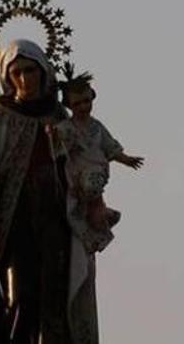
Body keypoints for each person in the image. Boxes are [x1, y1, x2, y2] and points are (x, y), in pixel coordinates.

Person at [0, 39, 99, 344]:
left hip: (56, 221)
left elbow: (84, 164)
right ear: (8, 77)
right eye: (18, 73)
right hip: (15, 223)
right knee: (21, 297)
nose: (25, 79)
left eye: (31, 71)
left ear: (43, 73)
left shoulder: (60, 119)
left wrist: (92, 199)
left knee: (55, 303)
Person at [54, 72, 145, 254]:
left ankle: (99, 216)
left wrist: (126, 159)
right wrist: (52, 134)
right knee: (76, 208)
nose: (83, 107)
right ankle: (100, 217)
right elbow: (57, 146)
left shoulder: (97, 127)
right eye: (77, 103)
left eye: (86, 101)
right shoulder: (67, 128)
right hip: (74, 173)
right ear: (69, 105)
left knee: (91, 187)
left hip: (95, 170)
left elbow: (110, 146)